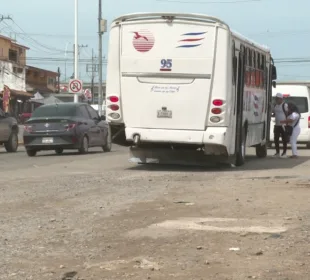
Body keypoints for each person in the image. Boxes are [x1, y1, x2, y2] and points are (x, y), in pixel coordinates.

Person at [272, 93, 288, 157]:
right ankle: (277, 152)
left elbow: (287, 114)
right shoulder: (275, 105)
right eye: (276, 98)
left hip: (283, 125)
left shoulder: (284, 105)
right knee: (276, 139)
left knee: (284, 139)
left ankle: (284, 153)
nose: (276, 99)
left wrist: (287, 123)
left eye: (278, 98)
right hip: (277, 125)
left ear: (281, 99)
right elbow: (274, 114)